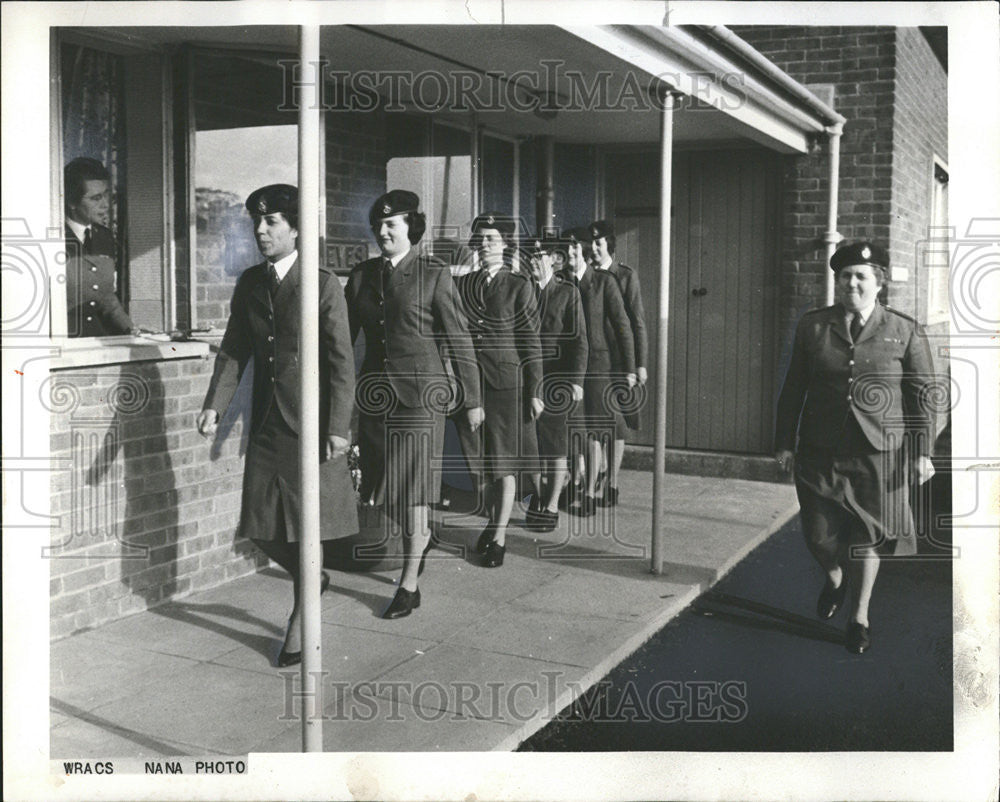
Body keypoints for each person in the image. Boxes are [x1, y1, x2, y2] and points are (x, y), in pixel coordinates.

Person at [196, 184, 358, 667]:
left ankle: (298, 622)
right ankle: (313, 579)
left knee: (309, 529)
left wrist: (338, 427)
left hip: (310, 427)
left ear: (296, 227)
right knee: (259, 526)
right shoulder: (250, 282)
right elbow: (234, 348)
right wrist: (215, 405)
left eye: (271, 222)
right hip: (269, 423)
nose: (261, 231)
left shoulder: (322, 283)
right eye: (256, 222)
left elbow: (342, 362)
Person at [775, 241, 937, 654]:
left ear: (878, 283)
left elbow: (922, 397)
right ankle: (834, 578)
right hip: (819, 449)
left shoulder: (904, 330)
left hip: (879, 453)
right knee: (818, 535)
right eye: (844, 276)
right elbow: (794, 388)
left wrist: (922, 451)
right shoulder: (813, 326)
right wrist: (784, 442)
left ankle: (859, 616)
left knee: (870, 537)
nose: (851, 283)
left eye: (861, 277)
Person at [345, 190, 483, 619]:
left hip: (422, 399)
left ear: (412, 228)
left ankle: (409, 583)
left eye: (392, 224)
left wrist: (474, 399)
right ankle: (419, 543)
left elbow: (459, 339)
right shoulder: (362, 276)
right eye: (379, 225)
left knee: (413, 488)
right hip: (376, 398)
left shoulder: (434, 274)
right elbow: (343, 342)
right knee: (381, 487)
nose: (383, 231)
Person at [456, 212, 544, 566]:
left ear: (506, 245)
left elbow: (531, 341)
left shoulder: (519, 285)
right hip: (472, 385)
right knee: (478, 465)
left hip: (507, 385)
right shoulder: (466, 283)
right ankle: (493, 522)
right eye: (481, 239)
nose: (484, 245)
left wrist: (536, 389)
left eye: (492, 239)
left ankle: (500, 537)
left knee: (504, 464)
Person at [563, 227, 635, 517]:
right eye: (565, 250)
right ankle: (582, 482)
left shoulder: (604, 283)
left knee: (595, 432)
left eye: (574, 250)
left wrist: (629, 367)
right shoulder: (561, 282)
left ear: (583, 252)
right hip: (570, 370)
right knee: (577, 433)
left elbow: (623, 326)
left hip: (598, 369)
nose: (569, 255)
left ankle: (592, 491)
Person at [524, 234, 587, 532]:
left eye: (540, 256)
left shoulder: (566, 293)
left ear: (553, 259)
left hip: (556, 378)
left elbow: (579, 341)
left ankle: (551, 505)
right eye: (531, 257)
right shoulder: (522, 290)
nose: (534, 262)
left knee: (555, 446)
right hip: (527, 379)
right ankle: (538, 496)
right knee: (531, 444)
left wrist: (575, 381)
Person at [588, 219, 648, 507]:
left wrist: (638, 365)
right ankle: (595, 476)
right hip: (596, 363)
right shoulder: (587, 275)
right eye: (592, 243)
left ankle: (612, 483)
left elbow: (637, 324)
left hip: (619, 363)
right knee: (597, 425)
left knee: (617, 425)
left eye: (599, 243)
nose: (594, 248)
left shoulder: (624, 276)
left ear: (609, 244)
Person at [63, 157, 139, 337]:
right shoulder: (53, 237)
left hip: (100, 338)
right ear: (72, 202)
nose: (105, 205)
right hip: (65, 342)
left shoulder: (104, 237)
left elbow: (106, 297)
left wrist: (129, 328)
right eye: (96, 198)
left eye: (106, 195)